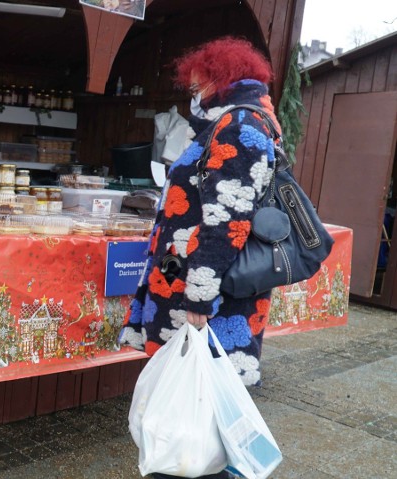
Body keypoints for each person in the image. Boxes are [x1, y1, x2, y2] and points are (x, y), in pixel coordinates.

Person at [118, 37, 278, 479]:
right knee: (201, 409)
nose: (192, 93)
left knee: (203, 411)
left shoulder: (239, 127)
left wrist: (198, 300)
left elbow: (226, 220)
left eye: (196, 84)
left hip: (206, 297)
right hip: (194, 288)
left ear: (217, 78)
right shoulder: (233, 122)